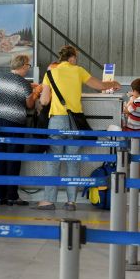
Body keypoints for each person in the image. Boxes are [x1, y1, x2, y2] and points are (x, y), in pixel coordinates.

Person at [36, 45, 121, 211]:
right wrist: (114, 83)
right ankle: (71, 202)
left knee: (53, 162)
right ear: (72, 58)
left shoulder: (50, 73)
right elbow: (99, 85)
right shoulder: (78, 70)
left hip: (57, 121)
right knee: (73, 162)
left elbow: (44, 101)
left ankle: (48, 200)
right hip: (75, 122)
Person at [0, 54, 38, 206]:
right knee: (13, 160)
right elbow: (30, 105)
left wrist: (29, 88)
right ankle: (12, 196)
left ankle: (0, 196)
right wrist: (36, 92)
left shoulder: (2, 78)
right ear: (23, 66)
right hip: (14, 122)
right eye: (28, 66)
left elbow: (10, 92)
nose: (28, 68)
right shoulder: (24, 83)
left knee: (0, 159)